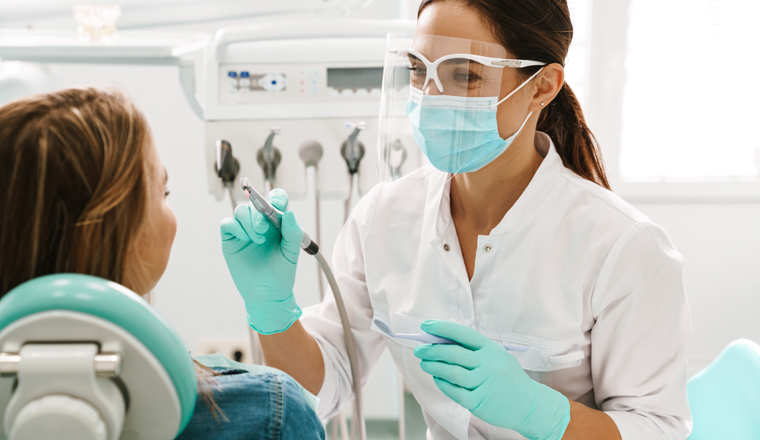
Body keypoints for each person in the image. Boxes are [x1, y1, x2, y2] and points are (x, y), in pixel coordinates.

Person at [220, 1, 692, 439]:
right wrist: (272, 312)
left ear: (542, 87)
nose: (430, 97)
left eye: (464, 75)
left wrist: (542, 413)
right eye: (417, 71)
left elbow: (655, 428)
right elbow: (327, 384)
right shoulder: (382, 219)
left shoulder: (623, 248)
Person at [0, 87, 325, 440]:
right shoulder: (267, 414)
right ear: (111, 235)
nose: (171, 213)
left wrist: (274, 315)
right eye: (162, 194)